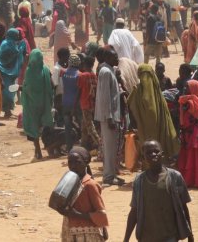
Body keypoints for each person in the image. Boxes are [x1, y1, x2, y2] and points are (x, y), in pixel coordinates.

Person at [124, 140, 194, 242]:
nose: (153, 154)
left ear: (162, 154)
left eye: (156, 151)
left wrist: (190, 235)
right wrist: (126, 239)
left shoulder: (175, 177)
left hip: (170, 236)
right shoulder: (139, 181)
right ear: (143, 157)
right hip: (146, 237)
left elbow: (183, 208)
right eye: (148, 152)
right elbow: (134, 211)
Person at [50, 146, 109, 241]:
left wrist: (76, 214)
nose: (73, 166)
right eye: (70, 162)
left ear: (86, 162)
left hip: (88, 235)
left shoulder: (90, 185)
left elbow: (101, 215)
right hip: (70, 232)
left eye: (77, 162)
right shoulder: (67, 182)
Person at [126, 64, 179, 158]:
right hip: (147, 125)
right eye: (143, 76)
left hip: (148, 125)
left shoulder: (153, 91)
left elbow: (130, 105)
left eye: (148, 76)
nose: (146, 79)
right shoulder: (140, 91)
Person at [94, 47, 124, 186]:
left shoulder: (109, 70)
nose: (117, 58)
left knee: (111, 148)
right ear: (107, 58)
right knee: (110, 148)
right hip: (108, 117)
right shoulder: (106, 72)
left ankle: (111, 174)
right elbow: (105, 97)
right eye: (114, 56)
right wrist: (110, 117)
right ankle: (108, 176)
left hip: (112, 115)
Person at [21, 49, 54, 160]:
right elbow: (51, 84)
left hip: (32, 104)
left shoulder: (29, 71)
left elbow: (28, 88)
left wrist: (23, 88)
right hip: (44, 103)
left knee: (33, 126)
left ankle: (38, 151)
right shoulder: (45, 69)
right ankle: (50, 149)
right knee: (45, 126)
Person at [0, 29, 26, 119]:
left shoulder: (13, 43)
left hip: (11, 72)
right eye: (16, 35)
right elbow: (4, 56)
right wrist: (19, 50)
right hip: (4, 72)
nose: (18, 37)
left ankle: (8, 110)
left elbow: (16, 53)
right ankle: (6, 111)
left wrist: (19, 49)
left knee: (11, 91)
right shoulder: (5, 44)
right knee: (6, 92)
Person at [77, 56, 100, 151]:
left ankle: (100, 144)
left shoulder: (82, 76)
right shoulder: (94, 76)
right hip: (93, 104)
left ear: (84, 64)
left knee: (90, 127)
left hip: (85, 104)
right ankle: (83, 146)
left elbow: (78, 89)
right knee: (84, 126)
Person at [61, 54, 81, 152]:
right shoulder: (79, 75)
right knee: (81, 125)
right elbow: (78, 91)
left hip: (65, 102)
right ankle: (81, 147)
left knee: (67, 126)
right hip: (76, 104)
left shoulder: (63, 73)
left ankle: (69, 148)